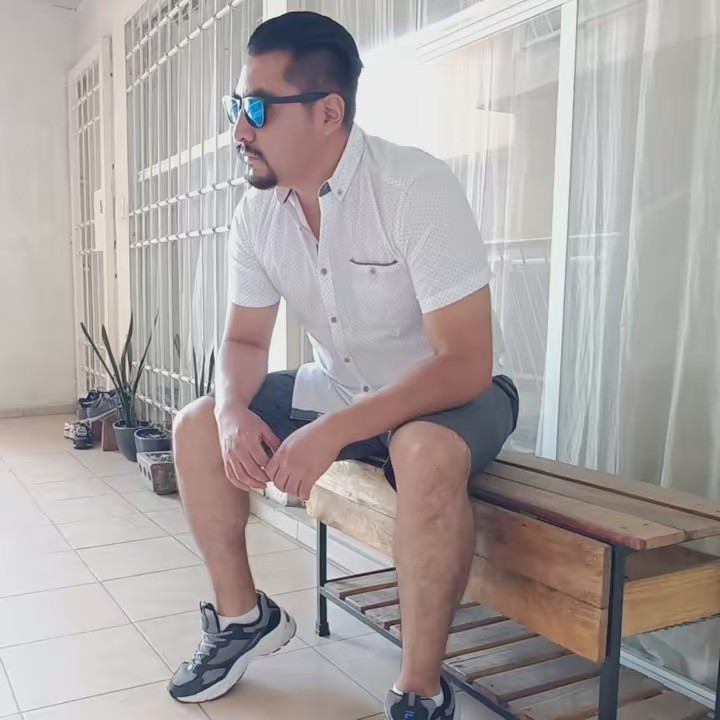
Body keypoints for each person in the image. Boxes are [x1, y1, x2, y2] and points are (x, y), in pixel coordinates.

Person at [168, 10, 519, 719]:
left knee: (422, 449)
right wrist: (232, 412)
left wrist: (332, 432)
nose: (239, 130)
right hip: (342, 387)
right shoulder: (258, 215)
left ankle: (420, 687)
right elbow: (244, 343)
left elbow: (465, 362)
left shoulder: (414, 188)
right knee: (196, 424)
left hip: (452, 396)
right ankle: (243, 619)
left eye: (258, 109)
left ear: (328, 113)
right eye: (237, 107)